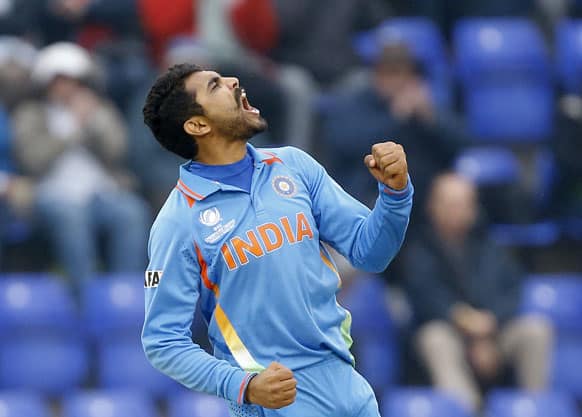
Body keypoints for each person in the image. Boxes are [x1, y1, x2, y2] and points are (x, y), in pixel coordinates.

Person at [141, 63, 413, 416]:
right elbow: (163, 342)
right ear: (197, 125)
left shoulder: (293, 166)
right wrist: (245, 386)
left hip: (348, 386)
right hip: (276, 401)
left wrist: (394, 195)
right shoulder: (179, 221)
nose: (232, 81)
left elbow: (369, 253)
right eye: (214, 85)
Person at [402, 173, 553, 411]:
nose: (457, 210)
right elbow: (423, 297)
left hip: (494, 331)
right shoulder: (417, 248)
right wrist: (463, 320)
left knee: (535, 330)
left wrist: (489, 324)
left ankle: (533, 408)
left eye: (463, 203)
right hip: (449, 333)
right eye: (450, 204)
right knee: (434, 339)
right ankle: (465, 410)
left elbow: (513, 290)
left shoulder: (489, 244)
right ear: (432, 206)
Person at [11, 42, 149, 291]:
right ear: (46, 83)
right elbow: (32, 160)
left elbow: (117, 151)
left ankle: (124, 293)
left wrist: (94, 122)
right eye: (60, 81)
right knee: (71, 216)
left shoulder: (98, 109)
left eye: (73, 81)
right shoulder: (30, 113)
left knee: (131, 212)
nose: (67, 88)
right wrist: (73, 128)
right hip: (50, 193)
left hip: (100, 193)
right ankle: (85, 298)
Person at [321, 44, 466, 221]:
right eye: (390, 74)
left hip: (421, 193)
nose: (397, 82)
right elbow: (345, 143)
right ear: (377, 75)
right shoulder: (355, 102)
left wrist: (431, 118)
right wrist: (395, 118)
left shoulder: (422, 108)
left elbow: (461, 143)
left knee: (453, 195)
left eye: (403, 74)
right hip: (372, 189)